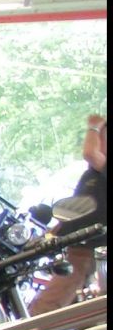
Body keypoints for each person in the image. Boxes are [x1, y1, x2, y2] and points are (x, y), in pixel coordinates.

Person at [29, 113, 106, 319]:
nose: (98, 141)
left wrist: (94, 126)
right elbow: (79, 209)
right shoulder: (92, 175)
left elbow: (90, 153)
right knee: (83, 312)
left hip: (89, 249)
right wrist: (53, 232)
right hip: (78, 245)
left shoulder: (102, 167)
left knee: (46, 306)